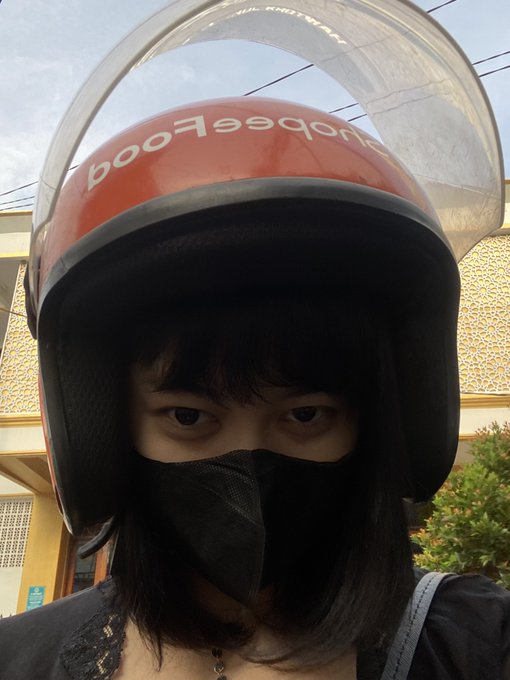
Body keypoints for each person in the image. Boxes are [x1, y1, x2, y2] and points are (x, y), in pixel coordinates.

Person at [0, 95, 508, 680]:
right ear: (106, 432)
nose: (250, 474)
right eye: (188, 417)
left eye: (306, 414)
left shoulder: (477, 643)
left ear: (374, 422)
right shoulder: (19, 658)